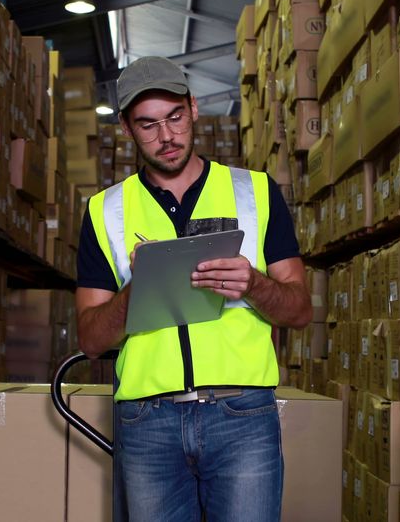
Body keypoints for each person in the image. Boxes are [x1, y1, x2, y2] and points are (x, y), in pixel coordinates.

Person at [75, 56, 312, 522]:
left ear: (194, 107)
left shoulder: (256, 193)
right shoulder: (106, 211)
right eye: (148, 125)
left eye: (175, 117)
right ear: (126, 129)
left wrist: (255, 284)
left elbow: (300, 309)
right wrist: (135, 291)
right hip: (148, 422)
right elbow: (90, 338)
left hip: (242, 415)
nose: (166, 136)